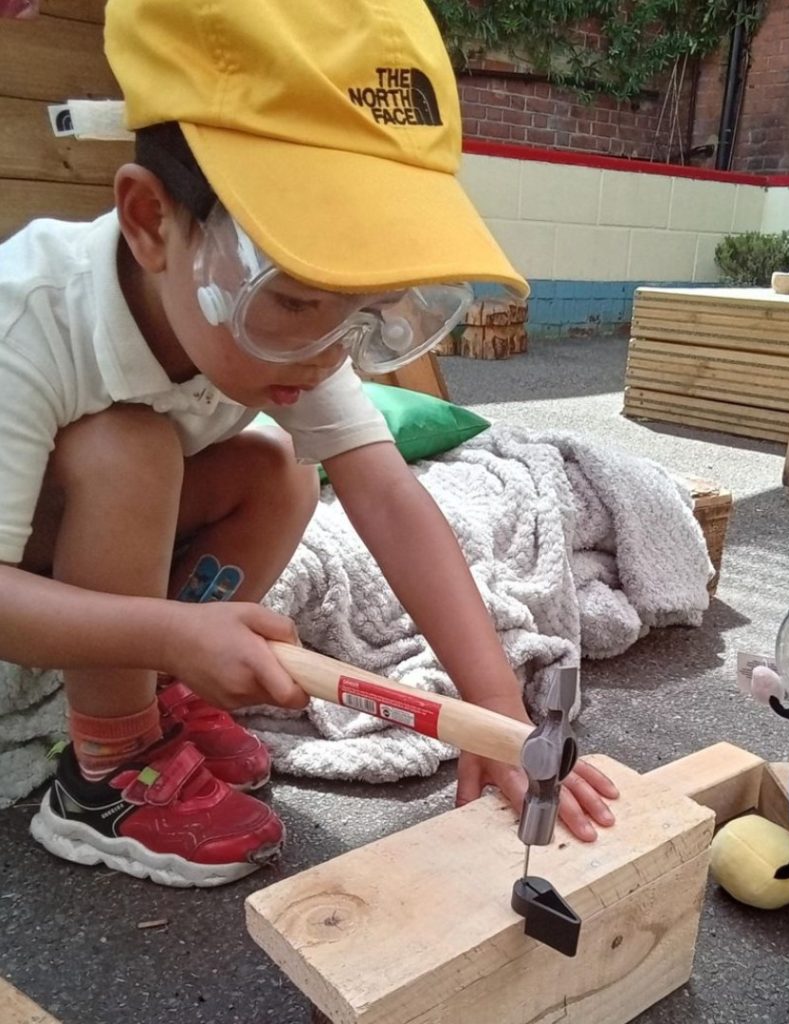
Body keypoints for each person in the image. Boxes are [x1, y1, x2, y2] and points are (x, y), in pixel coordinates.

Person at [0, 0, 617, 887]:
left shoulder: (278, 330)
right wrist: (172, 632)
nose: (329, 352)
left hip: (106, 576)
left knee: (281, 472)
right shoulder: (28, 319)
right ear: (149, 221)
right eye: (293, 301)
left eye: (364, 309)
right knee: (128, 446)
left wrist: (495, 708)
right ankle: (106, 772)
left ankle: (149, 693)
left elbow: (388, 498)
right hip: (25, 580)